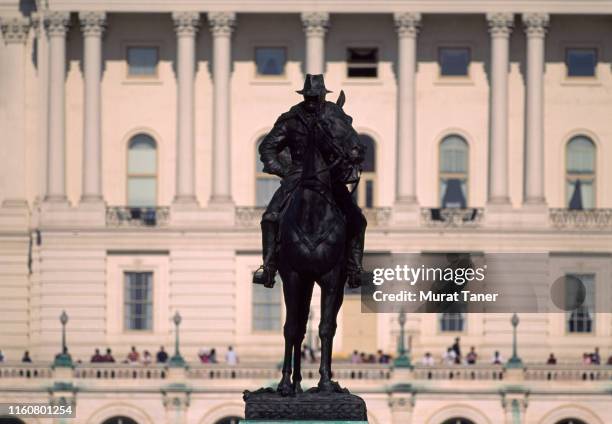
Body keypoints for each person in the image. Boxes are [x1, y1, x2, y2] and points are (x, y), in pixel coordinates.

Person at [252, 74, 367, 289]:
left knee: (357, 219)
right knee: (270, 217)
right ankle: (268, 267)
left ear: (323, 96)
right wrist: (284, 171)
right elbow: (267, 147)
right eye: (310, 97)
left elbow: (346, 141)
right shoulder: (292, 119)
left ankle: (354, 267)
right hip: (296, 174)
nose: (313, 101)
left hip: (328, 177)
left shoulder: (332, 115)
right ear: (305, 97)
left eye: (317, 96)